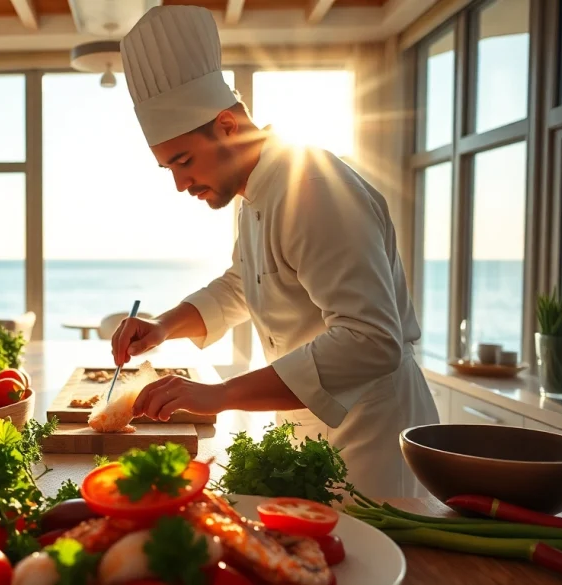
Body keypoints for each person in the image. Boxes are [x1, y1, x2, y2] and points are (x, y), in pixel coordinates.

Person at [110, 4, 440, 499]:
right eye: (169, 169)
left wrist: (218, 396)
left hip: (373, 440)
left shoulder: (313, 185)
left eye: (183, 161)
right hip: (311, 434)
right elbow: (246, 283)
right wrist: (164, 326)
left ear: (227, 127)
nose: (180, 184)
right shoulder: (254, 191)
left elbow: (370, 339)